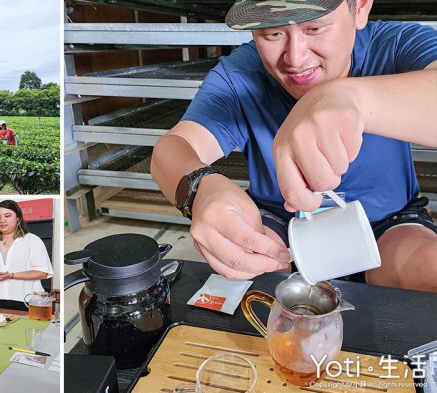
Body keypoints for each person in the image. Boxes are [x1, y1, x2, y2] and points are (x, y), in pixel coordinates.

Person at [150, 0, 437, 291]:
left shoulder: (398, 45)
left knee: (428, 267)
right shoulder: (239, 74)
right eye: (272, 34)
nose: (295, 58)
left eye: (314, 28)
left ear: (360, 7)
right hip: (281, 225)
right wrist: (202, 190)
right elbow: (173, 146)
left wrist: (351, 99)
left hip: (389, 223)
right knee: (245, 284)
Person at [0, 200, 53, 311]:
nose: (2, 221)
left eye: (7, 216)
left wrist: (12, 275)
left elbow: (42, 272)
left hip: (26, 300)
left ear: (18, 218)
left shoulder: (32, 241)